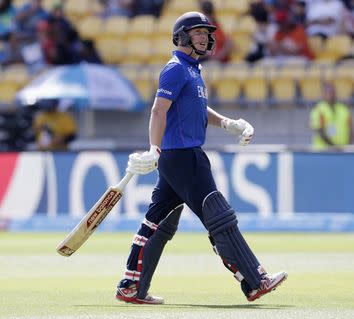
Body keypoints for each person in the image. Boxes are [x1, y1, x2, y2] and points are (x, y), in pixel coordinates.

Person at [115, 12, 288, 305]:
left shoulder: (192, 70)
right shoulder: (175, 69)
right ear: (181, 36)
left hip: (179, 158)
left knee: (157, 223)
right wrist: (153, 148)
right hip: (184, 157)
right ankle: (253, 281)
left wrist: (229, 123)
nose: (205, 38)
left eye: (206, 33)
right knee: (218, 216)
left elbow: (198, 110)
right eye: (198, 33)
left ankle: (131, 286)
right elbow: (159, 111)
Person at [310, 82, 353, 150]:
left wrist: (347, 147)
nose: (330, 94)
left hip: (343, 150)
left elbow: (350, 130)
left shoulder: (344, 109)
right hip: (323, 151)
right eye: (327, 92)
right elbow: (320, 131)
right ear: (323, 94)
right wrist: (333, 147)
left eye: (332, 92)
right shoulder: (318, 110)